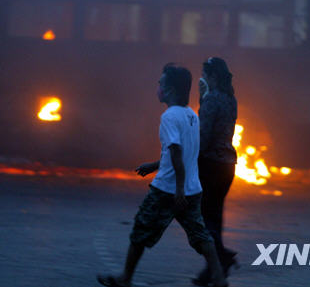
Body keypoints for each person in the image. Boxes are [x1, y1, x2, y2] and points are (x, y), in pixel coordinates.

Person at [97, 63, 228, 287]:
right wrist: (155, 165)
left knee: (141, 230)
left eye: (161, 83)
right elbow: (185, 153)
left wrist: (177, 188)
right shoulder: (191, 116)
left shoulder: (169, 117)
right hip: (193, 189)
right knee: (200, 235)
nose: (157, 87)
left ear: (170, 90)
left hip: (167, 190)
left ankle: (125, 278)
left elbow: (177, 152)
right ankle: (218, 278)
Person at [192, 57, 238, 286]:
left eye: (205, 74)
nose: (203, 78)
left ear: (213, 77)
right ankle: (213, 270)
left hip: (210, 165)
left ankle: (221, 259)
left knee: (204, 221)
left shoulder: (212, 99)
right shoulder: (231, 99)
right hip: (228, 165)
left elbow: (204, 135)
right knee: (214, 218)